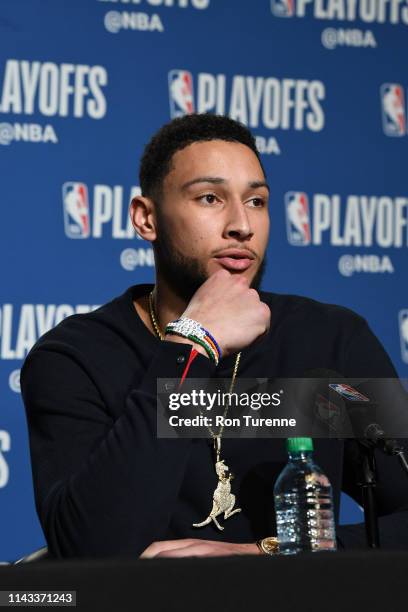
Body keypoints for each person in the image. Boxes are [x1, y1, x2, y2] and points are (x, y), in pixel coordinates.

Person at [21, 114, 408, 559]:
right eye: (210, 198)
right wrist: (194, 341)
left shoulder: (330, 340)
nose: (242, 225)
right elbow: (89, 548)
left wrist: (264, 554)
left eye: (257, 201)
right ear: (146, 219)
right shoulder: (76, 357)